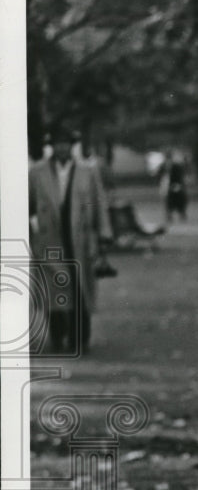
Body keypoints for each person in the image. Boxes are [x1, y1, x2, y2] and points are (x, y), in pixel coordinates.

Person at [28, 124, 113, 354]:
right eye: (57, 143)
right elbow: (27, 206)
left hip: (80, 239)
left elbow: (98, 203)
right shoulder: (37, 172)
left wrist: (104, 233)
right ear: (51, 146)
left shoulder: (87, 171)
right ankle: (57, 335)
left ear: (72, 146)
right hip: (50, 240)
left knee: (79, 288)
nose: (62, 147)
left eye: (66, 143)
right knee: (55, 291)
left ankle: (80, 338)